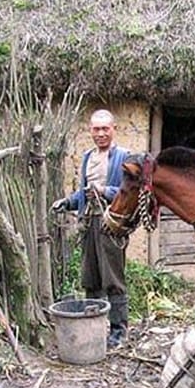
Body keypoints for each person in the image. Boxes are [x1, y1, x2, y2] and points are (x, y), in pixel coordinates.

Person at [52, 109, 132, 348]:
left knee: (113, 279)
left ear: (113, 129)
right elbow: (84, 192)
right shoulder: (88, 157)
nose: (100, 134)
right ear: (90, 131)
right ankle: (95, 327)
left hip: (111, 226)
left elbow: (130, 193)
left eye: (105, 128)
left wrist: (105, 191)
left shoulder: (124, 157)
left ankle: (119, 331)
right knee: (91, 278)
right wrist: (68, 202)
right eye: (96, 129)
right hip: (89, 224)